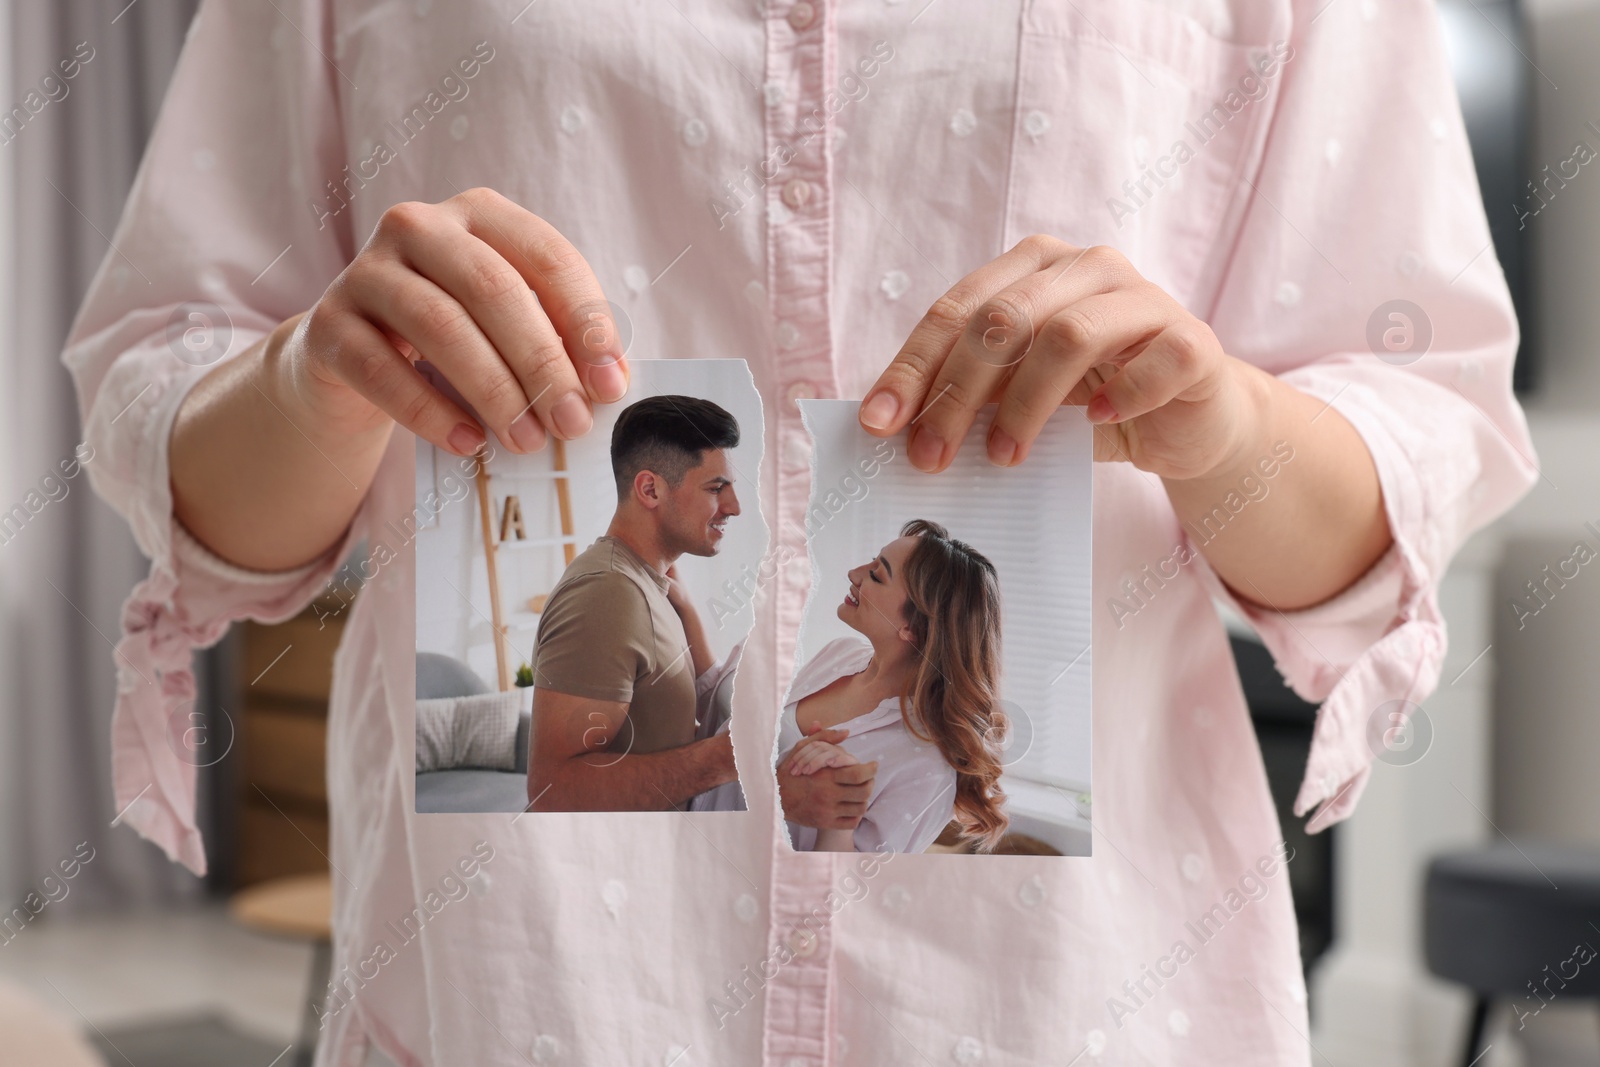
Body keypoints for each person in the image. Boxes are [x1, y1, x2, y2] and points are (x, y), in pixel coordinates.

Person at [60, 1, 1538, 1063]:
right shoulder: (629, 617)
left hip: (1074, 1002)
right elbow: (169, 379)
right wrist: (315, 376)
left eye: (876, 568)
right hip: (529, 996)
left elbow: (1418, 412)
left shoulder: (871, 721)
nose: (774, 534)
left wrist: (1221, 421)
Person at [526, 394, 742, 811]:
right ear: (650, 489)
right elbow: (553, 790)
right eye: (716, 488)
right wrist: (725, 760)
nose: (734, 507)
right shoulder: (608, 593)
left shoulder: (649, 584)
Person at [780, 520, 1009, 854]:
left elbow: (851, 888)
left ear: (911, 627)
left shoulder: (927, 767)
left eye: (876, 574)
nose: (854, 573)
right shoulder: (839, 655)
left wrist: (839, 817)